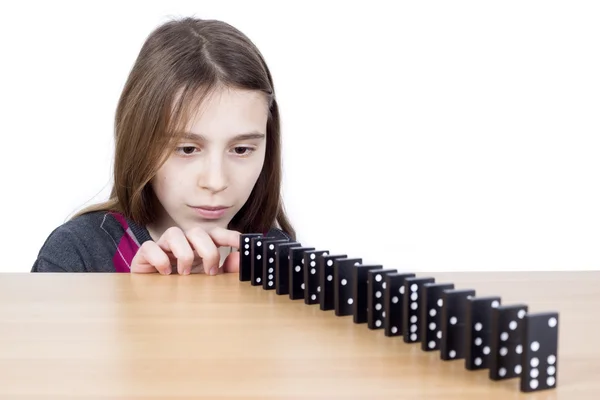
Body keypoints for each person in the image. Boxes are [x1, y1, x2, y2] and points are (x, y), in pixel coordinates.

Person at [31, 17, 296, 275]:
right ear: (140, 143)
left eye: (241, 150)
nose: (216, 182)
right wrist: (137, 301)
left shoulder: (278, 257)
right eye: (187, 149)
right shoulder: (79, 253)